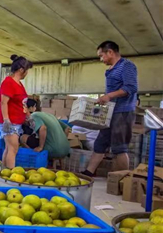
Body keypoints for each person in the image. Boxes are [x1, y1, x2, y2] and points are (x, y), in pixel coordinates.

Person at [82, 41, 138, 176]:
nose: (101, 59)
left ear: (110, 52)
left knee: (119, 148)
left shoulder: (127, 66)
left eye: (102, 56)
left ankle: (123, 179)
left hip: (123, 112)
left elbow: (131, 87)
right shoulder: (111, 69)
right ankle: (89, 172)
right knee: (100, 143)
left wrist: (109, 96)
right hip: (110, 113)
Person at [0, 54, 33, 168]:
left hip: (17, 122)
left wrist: (28, 116)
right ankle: (11, 175)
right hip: (10, 122)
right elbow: (4, 102)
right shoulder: (8, 82)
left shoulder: (19, 84)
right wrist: (6, 120)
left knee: (9, 148)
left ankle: (3, 172)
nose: (27, 73)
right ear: (21, 70)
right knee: (13, 148)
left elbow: (22, 103)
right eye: (27, 70)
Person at [21, 98, 71, 167]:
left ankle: (34, 160)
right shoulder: (49, 115)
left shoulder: (33, 116)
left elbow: (43, 128)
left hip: (54, 150)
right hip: (66, 149)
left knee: (22, 138)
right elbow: (67, 128)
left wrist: (40, 147)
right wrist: (61, 141)